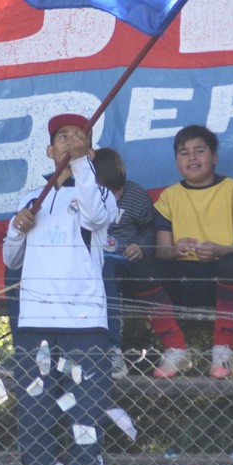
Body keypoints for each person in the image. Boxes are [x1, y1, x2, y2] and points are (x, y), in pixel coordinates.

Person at [3, 115, 117, 465]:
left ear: (90, 149)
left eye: (78, 137)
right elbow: (9, 258)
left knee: (85, 415)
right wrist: (18, 229)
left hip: (85, 323)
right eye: (61, 138)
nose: (68, 142)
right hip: (35, 323)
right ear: (49, 152)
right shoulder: (32, 196)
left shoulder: (100, 193)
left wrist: (84, 163)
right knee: (35, 417)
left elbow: (95, 215)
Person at [118, 127, 233, 379]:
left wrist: (219, 250)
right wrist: (176, 250)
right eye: (184, 153)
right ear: (177, 163)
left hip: (221, 279)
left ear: (214, 157)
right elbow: (161, 251)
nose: (192, 158)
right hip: (183, 280)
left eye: (199, 151)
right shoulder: (169, 197)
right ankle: (175, 349)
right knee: (143, 270)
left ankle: (222, 351)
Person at [92, 148, 156, 379]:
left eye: (117, 190)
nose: (114, 197)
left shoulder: (135, 195)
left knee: (108, 270)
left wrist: (141, 246)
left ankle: (113, 350)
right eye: (107, 191)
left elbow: (152, 229)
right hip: (91, 269)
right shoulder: (83, 198)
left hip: (125, 266)